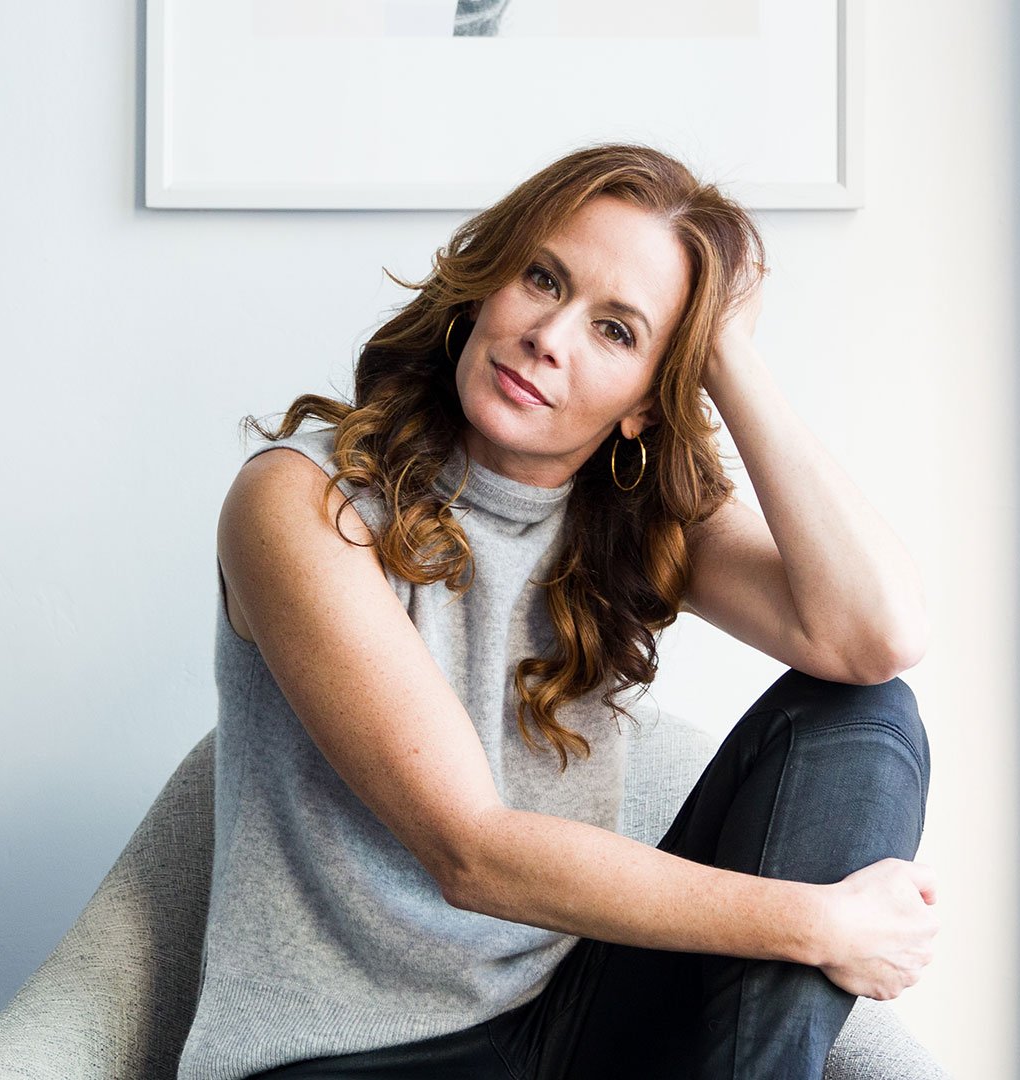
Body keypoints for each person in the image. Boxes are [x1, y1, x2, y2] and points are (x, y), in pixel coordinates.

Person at [174, 142, 938, 1080]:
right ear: (486, 282)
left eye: (617, 331)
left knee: (860, 713)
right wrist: (821, 926)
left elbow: (877, 637)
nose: (551, 335)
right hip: (347, 1060)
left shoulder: (634, 521)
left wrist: (726, 349)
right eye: (543, 279)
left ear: (646, 405)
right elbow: (471, 853)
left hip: (567, 1024)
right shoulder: (303, 502)